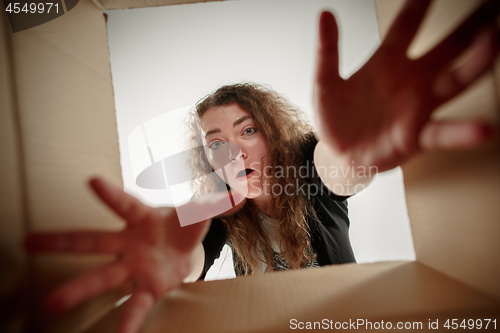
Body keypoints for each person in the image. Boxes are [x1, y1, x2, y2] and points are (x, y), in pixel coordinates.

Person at [24, 1, 500, 333]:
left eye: (247, 130)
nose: (233, 151)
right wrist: (176, 263)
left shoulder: (306, 167)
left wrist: (354, 151)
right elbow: (192, 256)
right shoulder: (213, 207)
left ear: (272, 134)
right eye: (216, 143)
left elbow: (335, 168)